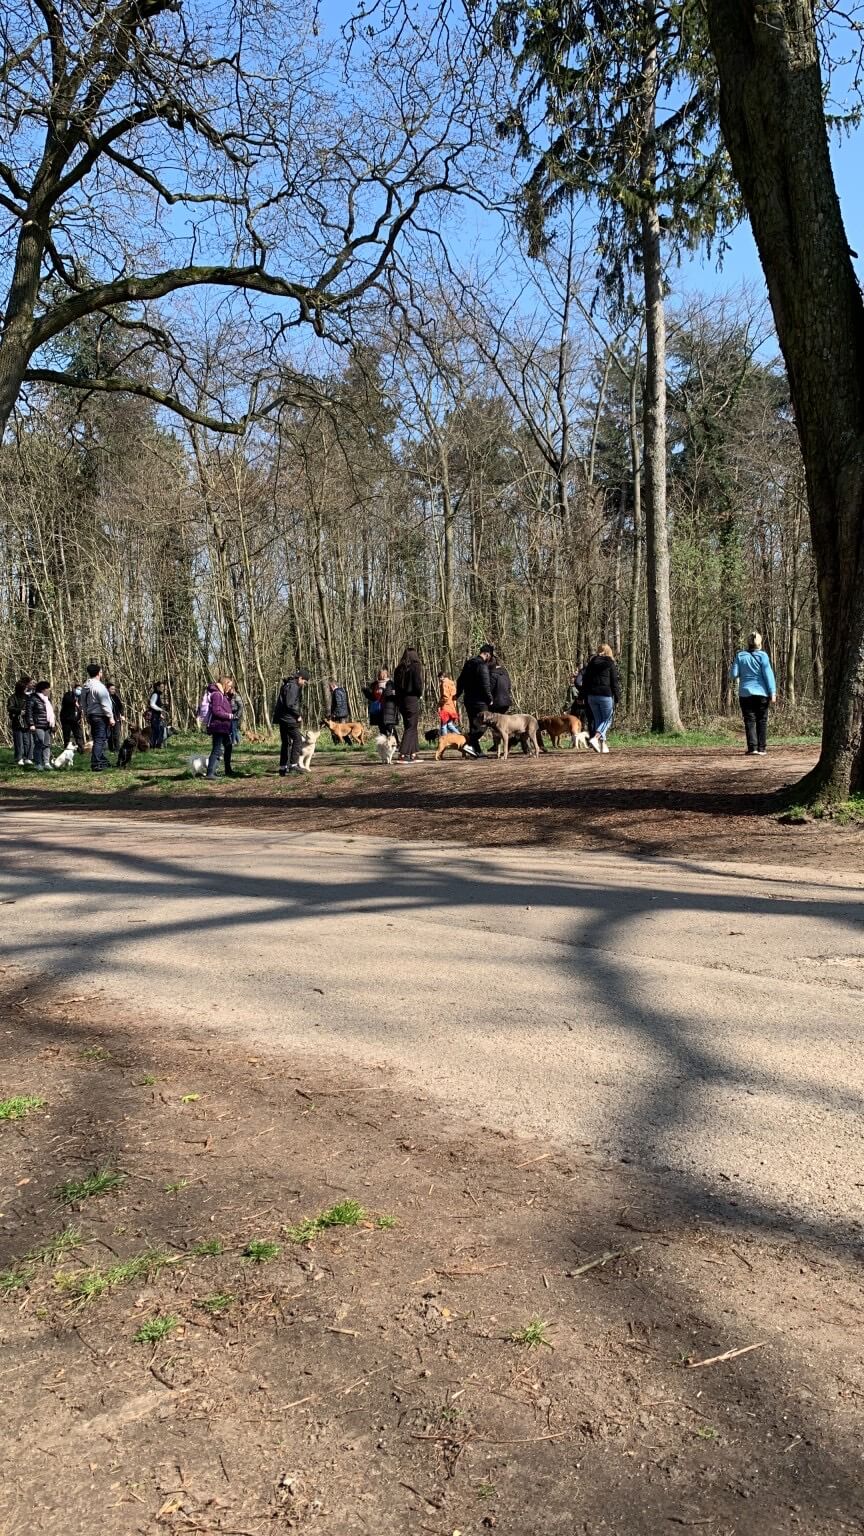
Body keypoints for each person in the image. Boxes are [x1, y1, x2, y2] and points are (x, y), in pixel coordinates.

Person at [730, 631, 777, 756]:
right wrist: (772, 692)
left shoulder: (740, 656)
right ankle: (762, 749)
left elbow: (733, 675)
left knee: (749, 720)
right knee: (762, 720)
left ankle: (752, 748)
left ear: (748, 643)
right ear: (760, 643)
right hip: (762, 693)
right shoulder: (763, 656)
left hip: (745, 693)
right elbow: (768, 675)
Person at [456, 643, 495, 758]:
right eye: (490, 657)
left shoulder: (468, 663)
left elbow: (460, 680)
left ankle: (477, 751)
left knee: (474, 725)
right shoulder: (481, 665)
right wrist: (489, 698)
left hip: (468, 700)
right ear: (487, 654)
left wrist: (458, 694)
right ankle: (466, 741)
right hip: (480, 701)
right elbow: (485, 684)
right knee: (484, 724)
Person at [582, 644, 621, 754]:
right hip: (605, 695)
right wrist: (617, 697)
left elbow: (585, 680)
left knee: (599, 720)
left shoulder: (591, 663)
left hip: (591, 696)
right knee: (607, 719)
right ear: (609, 652)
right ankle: (595, 738)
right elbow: (614, 682)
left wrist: (584, 696)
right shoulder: (610, 663)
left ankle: (603, 744)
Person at [273, 667, 307, 775]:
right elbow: (290, 704)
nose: (305, 683)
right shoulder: (293, 686)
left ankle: (283, 767)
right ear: (300, 678)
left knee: (286, 742)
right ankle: (293, 765)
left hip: (282, 717)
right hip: (288, 718)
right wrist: (297, 715)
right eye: (305, 680)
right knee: (298, 739)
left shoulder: (287, 684)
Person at [81, 663, 115, 772]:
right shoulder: (99, 687)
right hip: (100, 716)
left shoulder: (85, 686)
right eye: (101, 672)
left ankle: (102, 761)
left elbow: (83, 703)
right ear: (98, 673)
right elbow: (105, 703)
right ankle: (96, 763)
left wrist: (86, 714)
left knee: (98, 739)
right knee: (100, 740)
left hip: (91, 715)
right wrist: (110, 717)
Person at [394, 647, 423, 762]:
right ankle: (403, 753)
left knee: (410, 726)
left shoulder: (398, 669)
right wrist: (419, 693)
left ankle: (413, 753)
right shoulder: (415, 667)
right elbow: (418, 684)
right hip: (412, 699)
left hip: (401, 700)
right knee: (411, 726)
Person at [204, 677, 235, 778]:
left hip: (223, 727)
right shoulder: (217, 694)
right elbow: (216, 711)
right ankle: (210, 773)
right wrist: (229, 716)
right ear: (225, 684)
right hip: (218, 726)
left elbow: (225, 706)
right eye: (230, 685)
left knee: (228, 746)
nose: (231, 688)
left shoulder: (222, 695)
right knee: (216, 749)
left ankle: (228, 769)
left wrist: (230, 696)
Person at [27, 680, 55, 769]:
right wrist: (31, 724)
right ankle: (38, 763)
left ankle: (46, 762)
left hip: (47, 725)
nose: (49, 691)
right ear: (43, 690)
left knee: (47, 744)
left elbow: (51, 713)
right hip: (37, 725)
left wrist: (53, 724)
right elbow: (29, 712)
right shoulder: (33, 698)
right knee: (39, 743)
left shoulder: (47, 700)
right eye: (48, 689)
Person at [7, 677, 34, 765]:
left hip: (27, 722)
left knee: (28, 741)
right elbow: (10, 708)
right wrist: (19, 711)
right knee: (19, 742)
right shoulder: (13, 697)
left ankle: (28, 757)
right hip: (17, 722)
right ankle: (19, 758)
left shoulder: (28, 697)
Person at [59, 683, 85, 752]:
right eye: (78, 689)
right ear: (74, 689)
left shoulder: (80, 697)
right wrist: (75, 703)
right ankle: (66, 748)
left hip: (75, 719)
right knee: (67, 735)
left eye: (80, 690)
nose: (79, 691)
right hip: (67, 719)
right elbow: (67, 701)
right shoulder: (68, 695)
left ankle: (81, 749)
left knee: (78, 734)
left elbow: (81, 707)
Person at [437, 674, 461, 739]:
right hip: (452, 706)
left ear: (442, 677)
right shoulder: (452, 683)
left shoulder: (444, 684)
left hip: (445, 707)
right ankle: (461, 736)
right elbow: (454, 696)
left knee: (443, 725)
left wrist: (439, 704)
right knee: (450, 725)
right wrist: (454, 705)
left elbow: (445, 697)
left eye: (439, 677)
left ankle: (444, 741)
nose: (439, 679)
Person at [379, 675, 399, 744]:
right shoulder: (378, 685)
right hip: (381, 711)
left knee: (391, 728)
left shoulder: (391, 685)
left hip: (389, 711)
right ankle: (385, 744)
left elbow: (392, 697)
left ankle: (396, 743)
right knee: (382, 729)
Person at [107, 682, 125, 752]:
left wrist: (122, 715)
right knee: (109, 735)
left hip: (117, 718)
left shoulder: (116, 697)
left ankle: (117, 749)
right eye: (112, 689)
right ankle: (111, 749)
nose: (113, 690)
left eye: (114, 689)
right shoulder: (105, 698)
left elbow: (120, 707)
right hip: (108, 718)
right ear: (107, 689)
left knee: (116, 734)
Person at [148, 681, 166, 748]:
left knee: (158, 730)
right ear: (157, 687)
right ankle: (152, 746)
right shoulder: (155, 694)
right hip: (154, 716)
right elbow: (152, 705)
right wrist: (160, 709)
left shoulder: (158, 694)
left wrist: (160, 714)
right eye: (161, 687)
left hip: (157, 715)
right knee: (155, 731)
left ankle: (156, 746)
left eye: (163, 687)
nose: (163, 688)